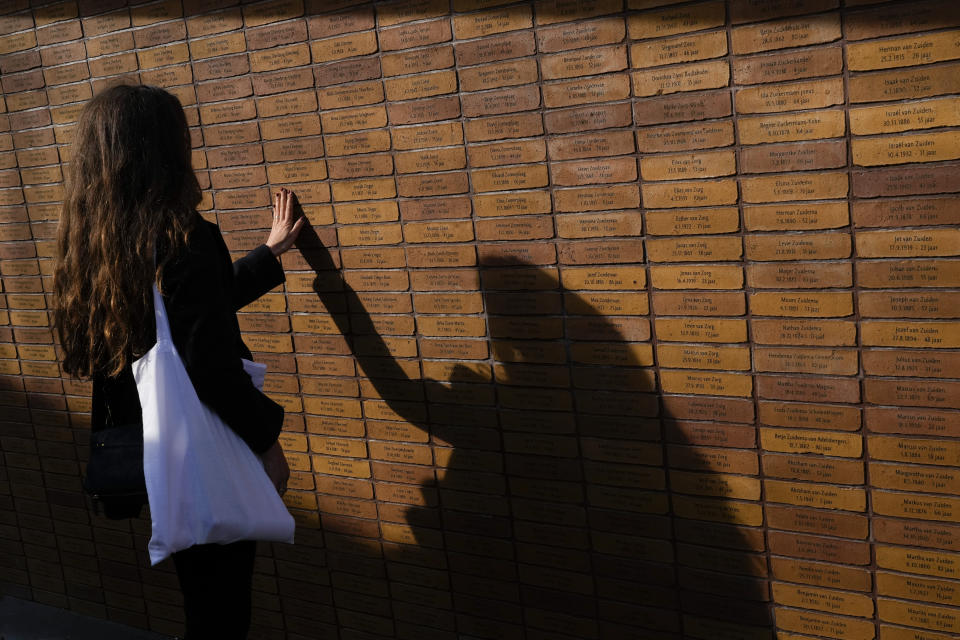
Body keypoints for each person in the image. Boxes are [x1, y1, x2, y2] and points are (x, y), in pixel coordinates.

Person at [52, 84, 304, 638]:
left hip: (153, 449)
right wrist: (268, 443)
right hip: (205, 447)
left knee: (204, 602)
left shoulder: (98, 245)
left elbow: (187, 318)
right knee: (221, 610)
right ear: (164, 151)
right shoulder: (183, 237)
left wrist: (267, 256)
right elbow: (206, 360)